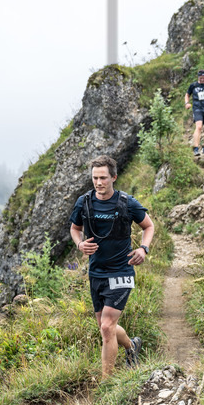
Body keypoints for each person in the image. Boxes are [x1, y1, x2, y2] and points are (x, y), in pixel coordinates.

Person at [70, 155, 154, 378]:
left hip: (121, 270)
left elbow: (149, 226)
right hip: (96, 272)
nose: (98, 183)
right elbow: (74, 228)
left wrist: (143, 249)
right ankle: (132, 346)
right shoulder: (84, 202)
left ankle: (106, 383)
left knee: (107, 327)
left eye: (103, 178)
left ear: (114, 177)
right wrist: (79, 243)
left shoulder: (127, 203)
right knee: (105, 327)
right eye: (95, 178)